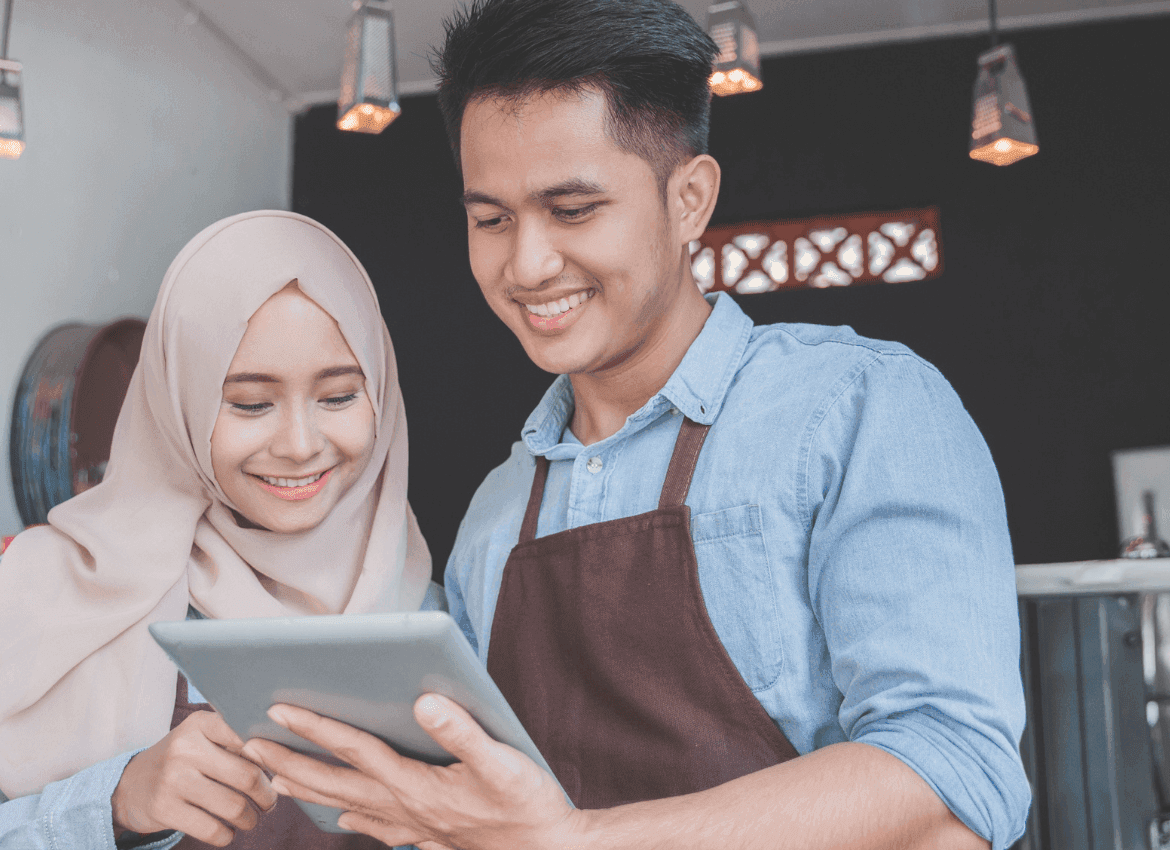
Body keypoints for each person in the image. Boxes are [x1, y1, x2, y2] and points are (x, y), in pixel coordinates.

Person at [241, 1, 1031, 849]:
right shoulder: (497, 514)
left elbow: (953, 775)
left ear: (689, 199)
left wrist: (575, 842)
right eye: (491, 219)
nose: (527, 264)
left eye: (573, 209)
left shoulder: (858, 409)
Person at [0, 211, 436, 850]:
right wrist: (117, 801)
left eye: (339, 397)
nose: (300, 445)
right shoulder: (32, 587)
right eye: (250, 403)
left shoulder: (426, 609)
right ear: (178, 400)